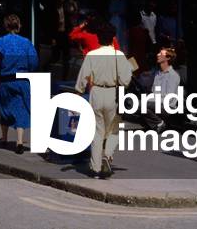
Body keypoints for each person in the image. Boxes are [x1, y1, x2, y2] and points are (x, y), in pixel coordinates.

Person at [75, 22, 134, 178]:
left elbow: (82, 79)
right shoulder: (119, 56)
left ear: (98, 38)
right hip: (113, 94)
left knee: (97, 132)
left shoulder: (92, 55)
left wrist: (79, 93)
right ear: (113, 38)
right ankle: (107, 155)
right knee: (115, 128)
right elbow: (126, 80)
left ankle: (95, 168)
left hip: (96, 93)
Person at [0, 14, 39, 153]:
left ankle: (4, 139)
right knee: (21, 109)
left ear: (6, 26)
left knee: (5, 109)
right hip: (22, 81)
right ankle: (20, 141)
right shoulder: (26, 42)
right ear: (19, 26)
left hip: (5, 81)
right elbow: (34, 63)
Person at [143, 47, 182, 132]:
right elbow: (154, 91)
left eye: (161, 54)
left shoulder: (173, 75)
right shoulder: (158, 73)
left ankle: (159, 123)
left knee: (142, 105)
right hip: (158, 103)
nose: (158, 55)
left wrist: (149, 100)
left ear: (168, 58)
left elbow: (169, 98)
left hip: (168, 107)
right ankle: (158, 123)